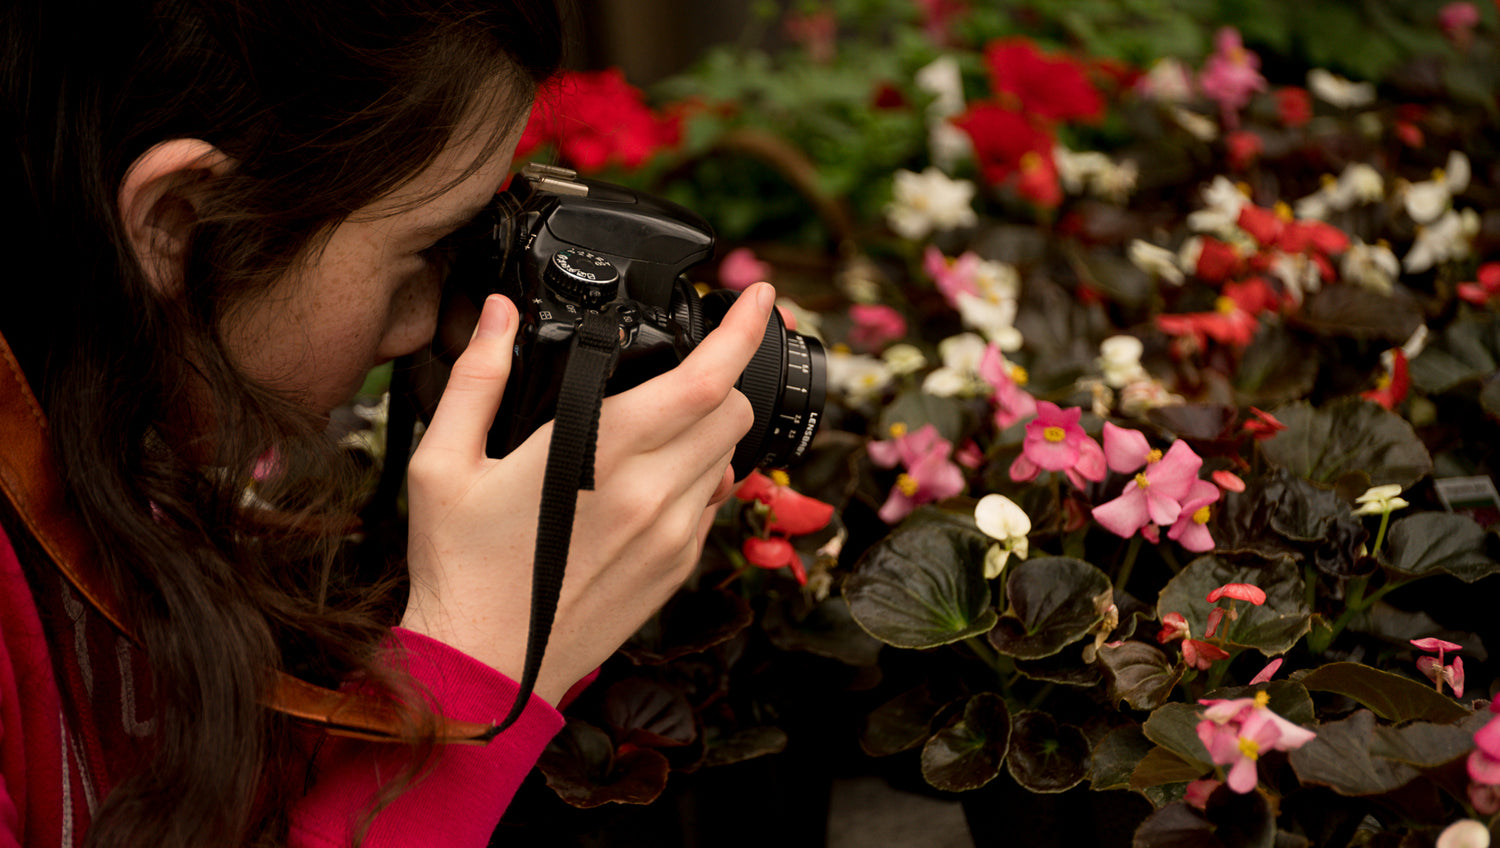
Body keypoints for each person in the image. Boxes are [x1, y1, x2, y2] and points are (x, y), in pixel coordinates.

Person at [0, 1, 772, 846]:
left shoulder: (105, 463)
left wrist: (517, 582)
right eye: (423, 250)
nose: (426, 327)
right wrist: (476, 670)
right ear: (179, 220)